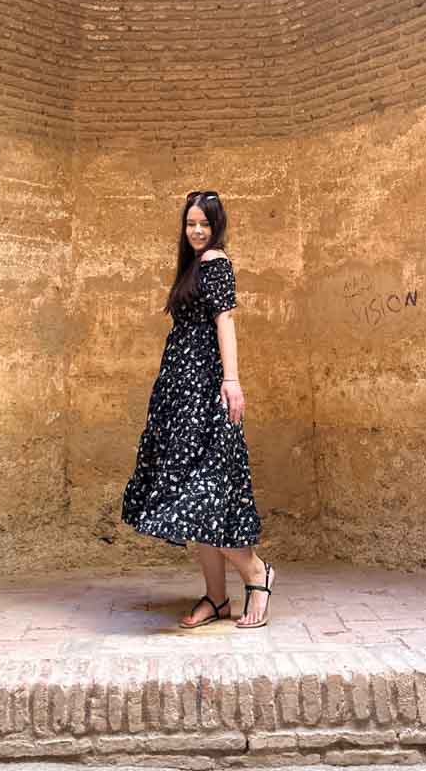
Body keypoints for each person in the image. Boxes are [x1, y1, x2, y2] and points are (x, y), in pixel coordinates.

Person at [121, 190, 275, 629]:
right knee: (197, 500)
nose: (197, 231)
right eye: (191, 223)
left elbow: (225, 321)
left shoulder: (217, 263)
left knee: (201, 492)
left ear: (217, 226)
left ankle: (257, 574)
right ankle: (217, 598)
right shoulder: (192, 267)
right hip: (180, 392)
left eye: (205, 224)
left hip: (206, 392)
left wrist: (231, 382)